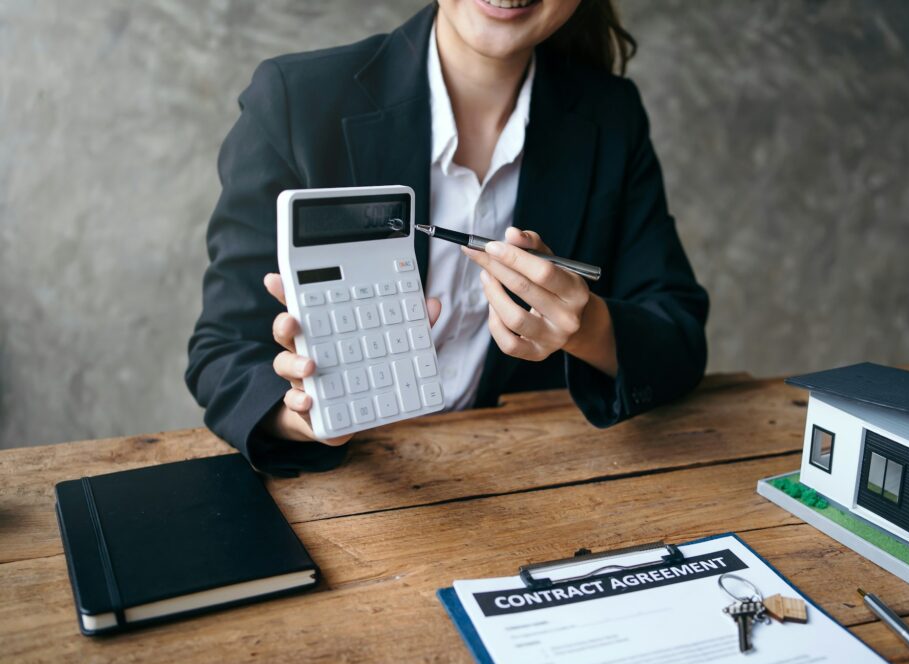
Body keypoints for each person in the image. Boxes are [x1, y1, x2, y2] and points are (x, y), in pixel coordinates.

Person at [186, 0, 709, 476]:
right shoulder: (295, 101)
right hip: (353, 482)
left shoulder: (611, 115)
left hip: (531, 480)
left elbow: (679, 338)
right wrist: (300, 417)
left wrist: (587, 327)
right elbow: (221, 351)